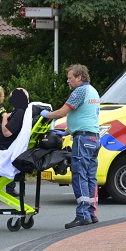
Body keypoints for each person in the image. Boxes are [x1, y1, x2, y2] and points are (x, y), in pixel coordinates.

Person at [41, 64, 100, 228]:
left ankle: (82, 215)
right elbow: (86, 116)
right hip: (93, 139)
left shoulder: (80, 91)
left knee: (79, 176)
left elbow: (61, 112)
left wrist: (45, 114)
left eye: (70, 78)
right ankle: (92, 212)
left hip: (82, 140)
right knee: (90, 177)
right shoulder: (93, 91)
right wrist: (67, 131)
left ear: (80, 78)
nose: (68, 81)